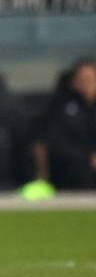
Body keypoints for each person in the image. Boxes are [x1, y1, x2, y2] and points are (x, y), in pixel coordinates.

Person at [45, 59, 96, 189]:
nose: (87, 84)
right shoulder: (61, 108)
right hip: (71, 174)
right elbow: (56, 142)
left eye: (91, 79)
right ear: (74, 82)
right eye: (82, 79)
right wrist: (87, 159)